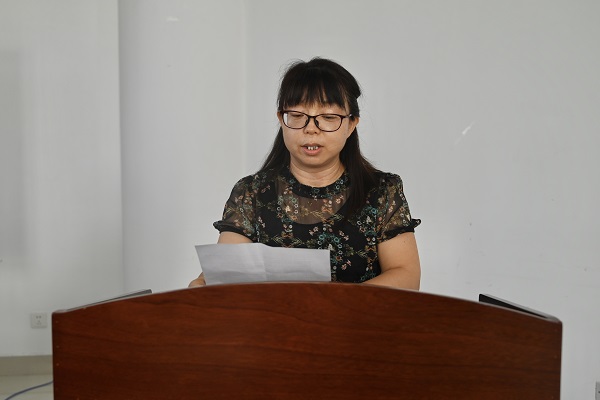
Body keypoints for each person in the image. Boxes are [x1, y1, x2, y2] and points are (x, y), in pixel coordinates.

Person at [190, 57, 420, 289]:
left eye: (328, 118)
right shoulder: (251, 193)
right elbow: (227, 271)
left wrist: (331, 304)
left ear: (351, 124)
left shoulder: (381, 191)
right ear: (281, 120)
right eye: (298, 116)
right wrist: (202, 284)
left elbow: (406, 276)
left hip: (357, 314)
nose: (311, 129)